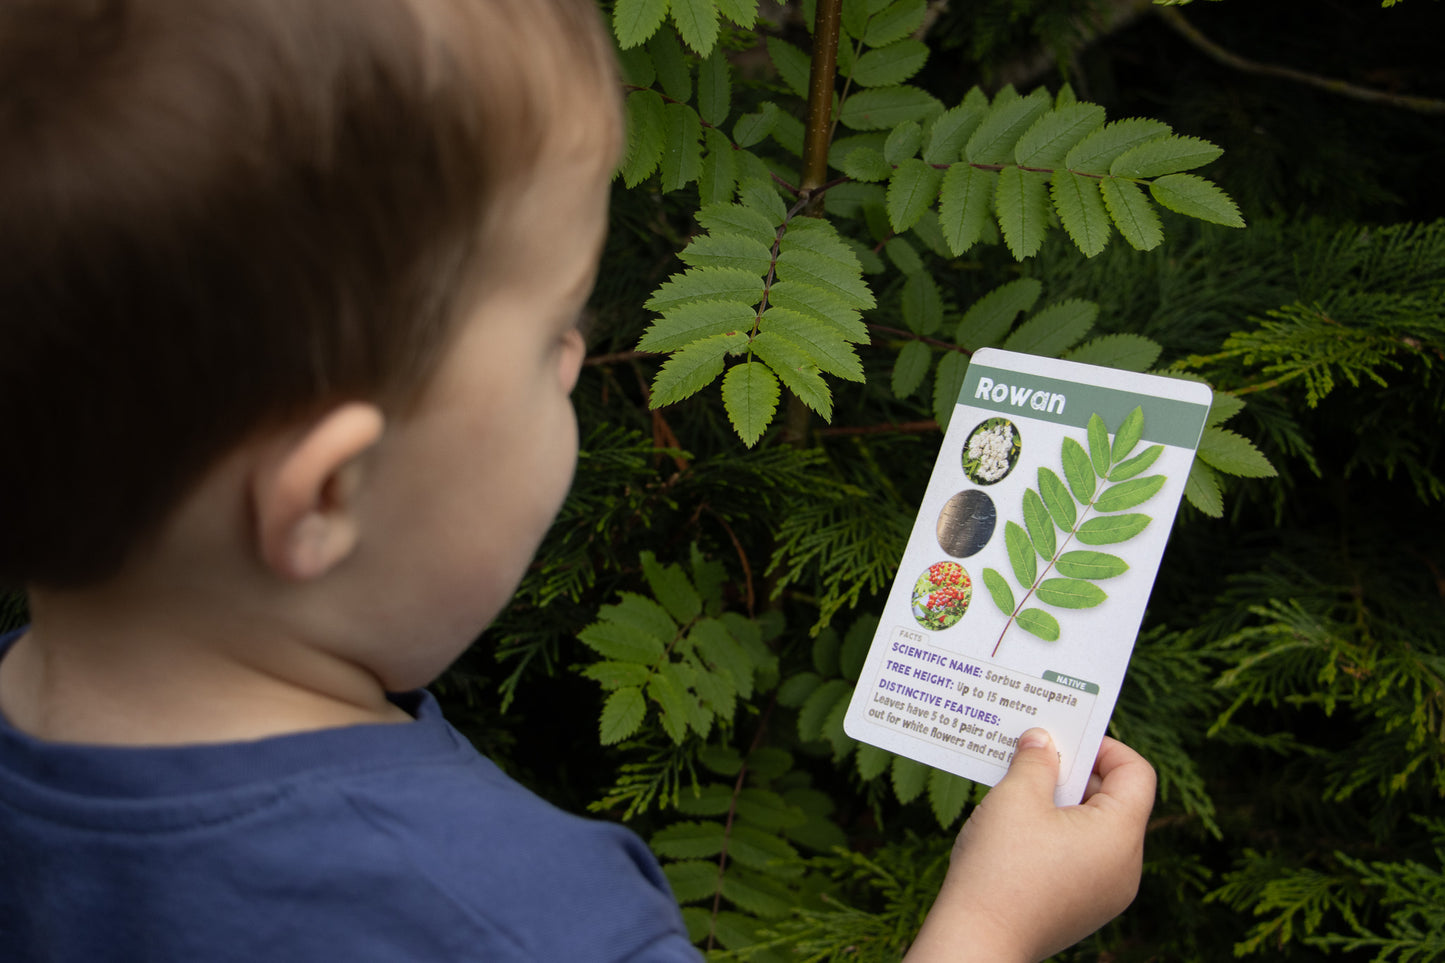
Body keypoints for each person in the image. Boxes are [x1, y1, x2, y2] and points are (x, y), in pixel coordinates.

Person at [0, 0, 1156, 960]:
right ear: (327, 497)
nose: (580, 360)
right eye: (554, 334)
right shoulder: (520, 923)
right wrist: (990, 928)